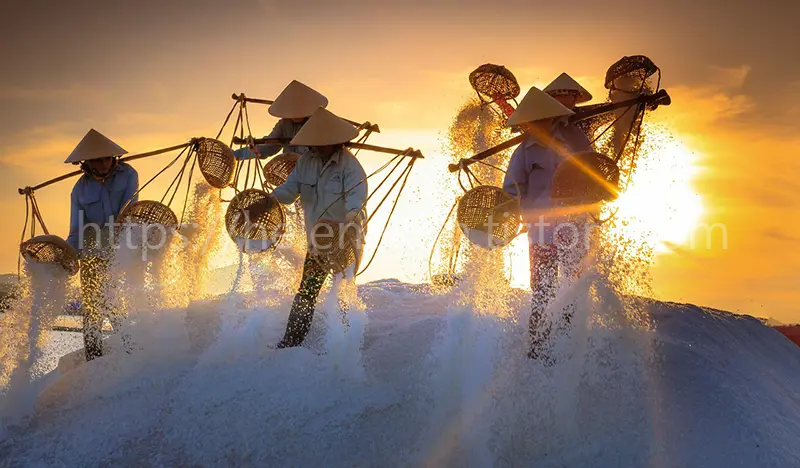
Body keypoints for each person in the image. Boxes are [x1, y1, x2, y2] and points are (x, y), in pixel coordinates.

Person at [501, 87, 588, 363]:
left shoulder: (573, 140)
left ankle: (569, 341)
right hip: (540, 231)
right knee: (541, 288)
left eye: (541, 120)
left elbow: (593, 173)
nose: (536, 126)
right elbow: (511, 191)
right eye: (531, 122)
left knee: (574, 284)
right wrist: (513, 211)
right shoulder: (523, 153)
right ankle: (537, 345)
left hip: (573, 227)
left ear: (552, 119)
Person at [269, 107, 368, 348]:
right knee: (306, 292)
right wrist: (269, 199)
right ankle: (291, 342)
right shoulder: (306, 162)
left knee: (342, 291)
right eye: (313, 143)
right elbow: (289, 190)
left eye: (321, 143)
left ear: (336, 142)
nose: (316, 148)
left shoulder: (350, 167)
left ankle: (345, 346)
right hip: (318, 242)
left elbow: (357, 203)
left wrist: (346, 222)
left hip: (346, 240)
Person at [65, 129, 139, 361]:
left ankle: (131, 350)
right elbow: (76, 229)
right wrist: (68, 254)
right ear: (87, 162)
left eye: (107, 158)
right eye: (98, 159)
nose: (105, 163)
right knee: (92, 306)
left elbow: (130, 210)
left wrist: (117, 237)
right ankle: (93, 357)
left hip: (121, 245)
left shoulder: (128, 174)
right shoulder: (80, 189)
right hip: (91, 248)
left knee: (115, 300)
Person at [233, 80, 328, 160]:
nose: (294, 114)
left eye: (298, 109)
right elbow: (267, 147)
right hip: (292, 172)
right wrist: (235, 155)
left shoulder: (318, 123)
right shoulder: (284, 125)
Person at [543, 72, 594, 152]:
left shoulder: (575, 130)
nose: (575, 99)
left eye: (575, 96)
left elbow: (590, 156)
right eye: (573, 96)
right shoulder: (542, 123)